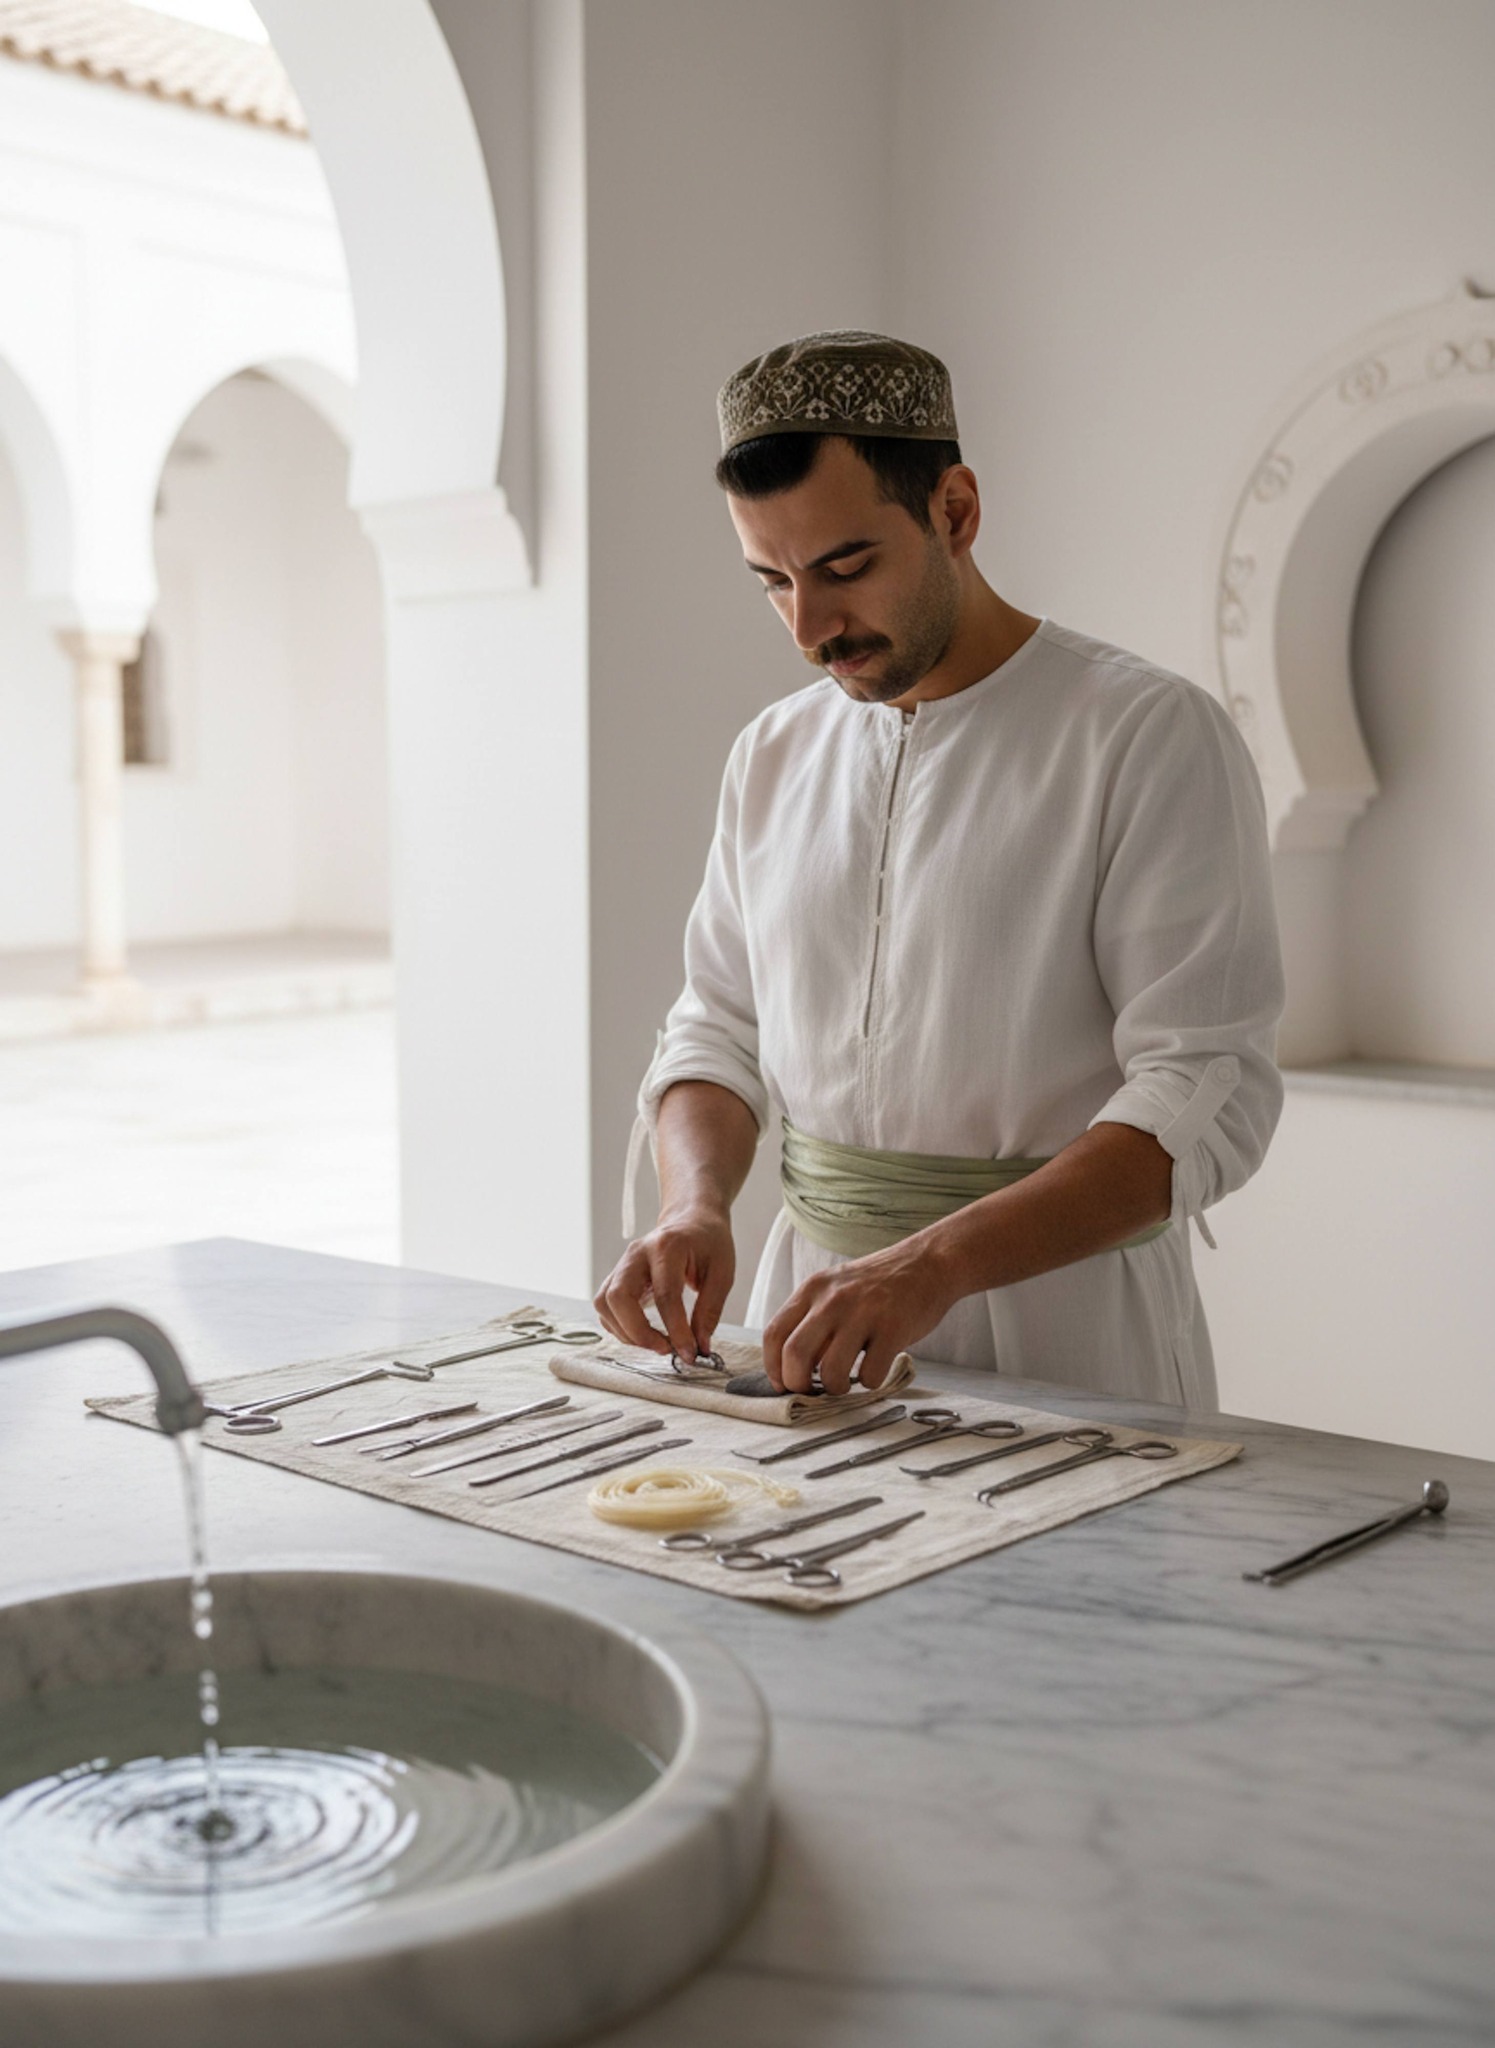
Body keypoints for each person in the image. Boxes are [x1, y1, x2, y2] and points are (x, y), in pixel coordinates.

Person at [595, 330, 1284, 1405]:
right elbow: (716, 1026)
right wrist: (694, 1205)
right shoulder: (772, 753)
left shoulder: (1145, 734)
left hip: (1073, 1338)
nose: (810, 628)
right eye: (770, 581)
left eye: (844, 568)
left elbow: (1204, 1089)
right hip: (803, 1332)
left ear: (954, 511)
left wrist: (935, 1264)